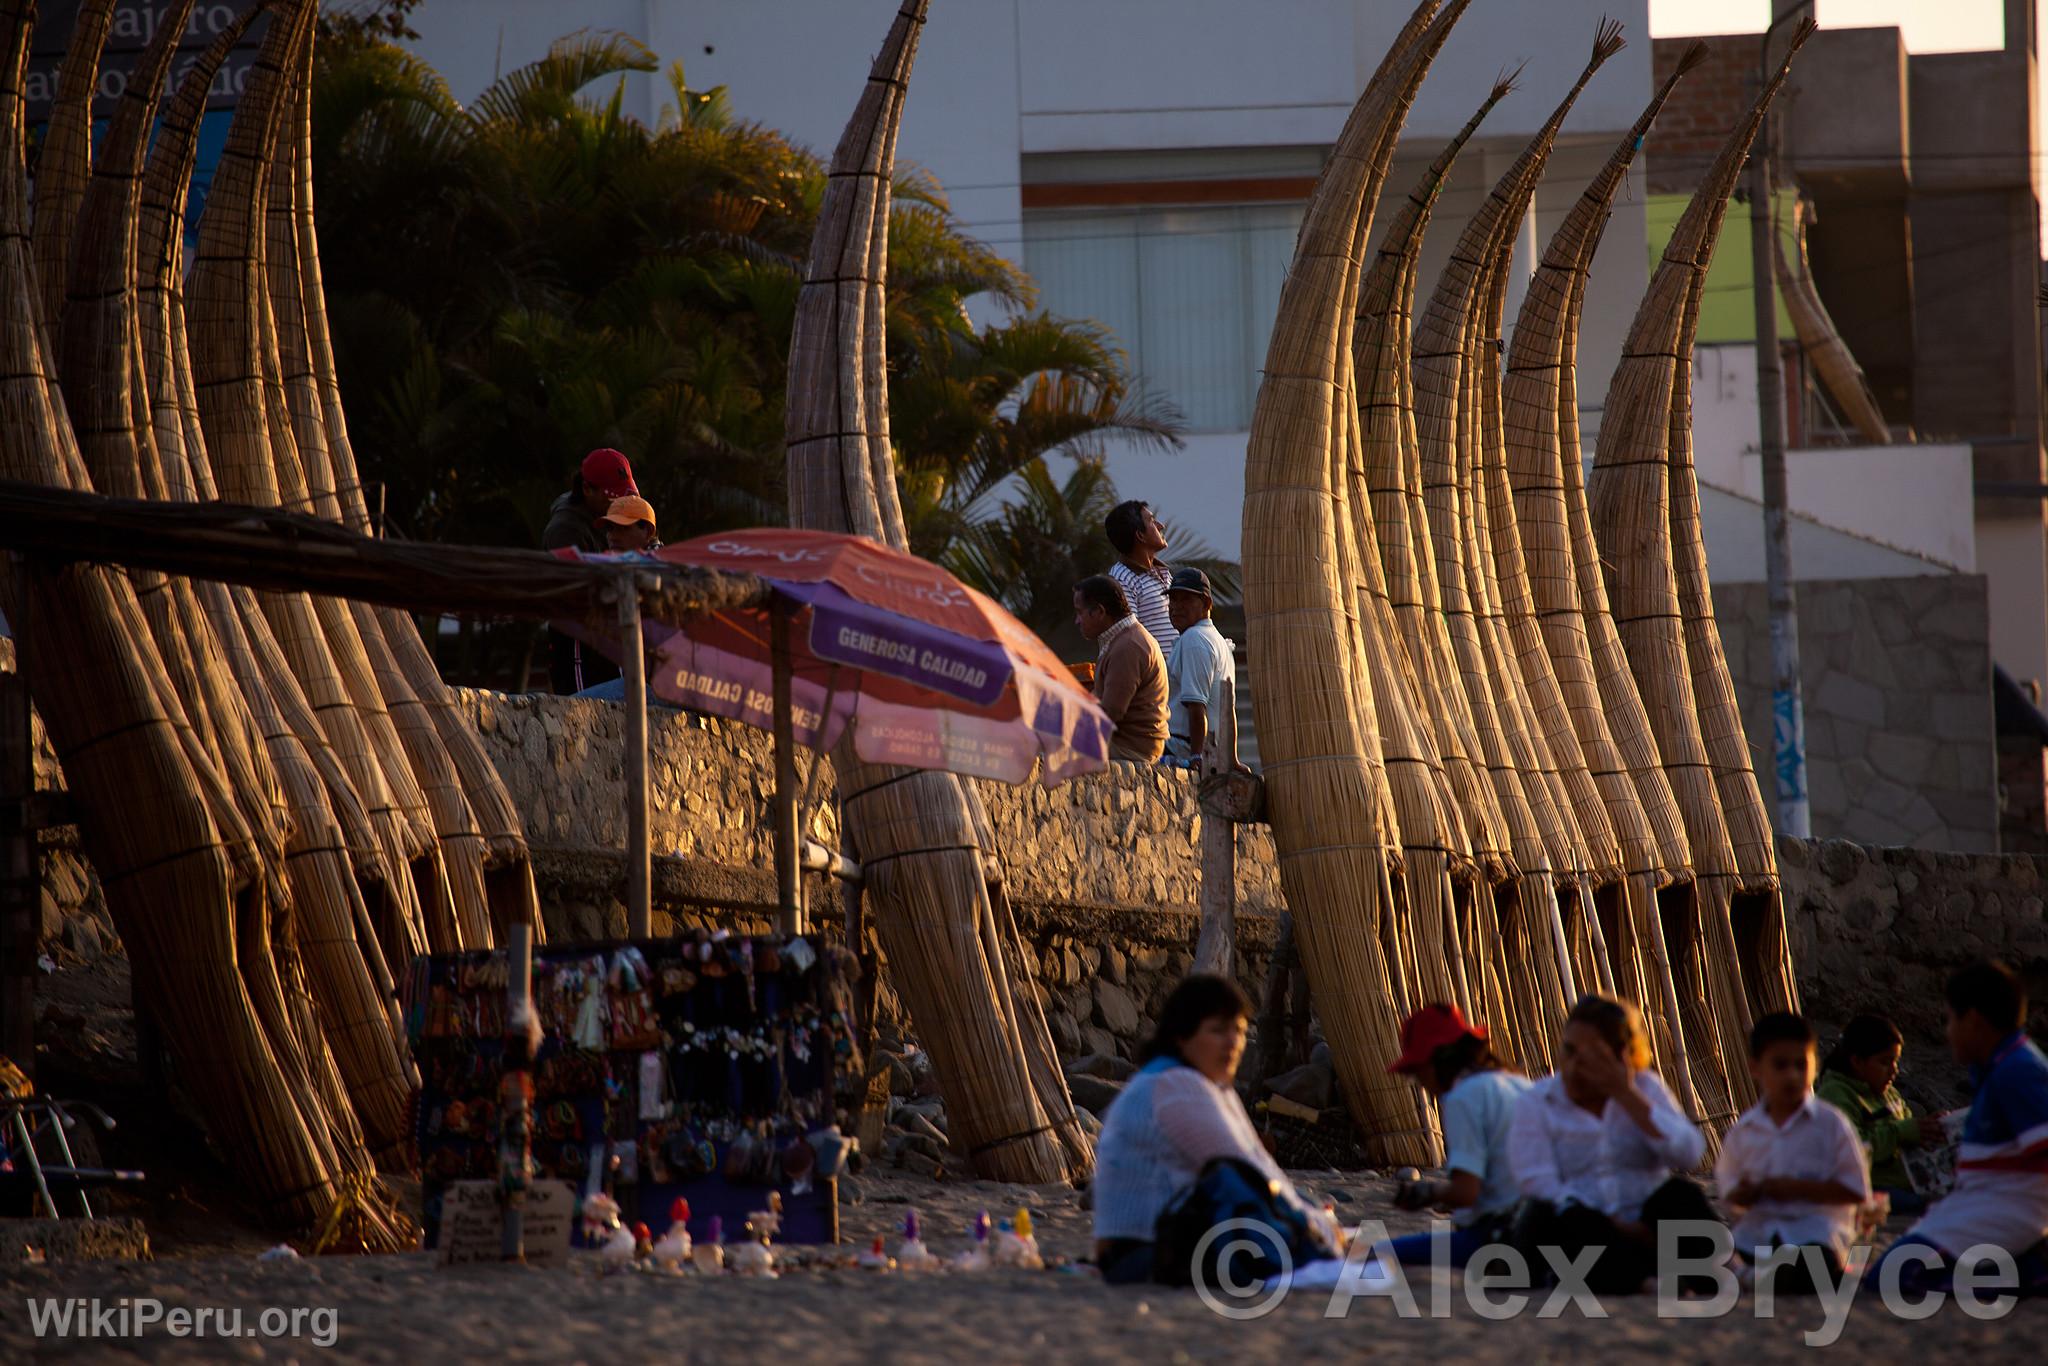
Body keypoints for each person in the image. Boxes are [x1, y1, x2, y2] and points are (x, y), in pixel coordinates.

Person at [1092, 975, 1339, 1285]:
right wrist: (1315, 1227)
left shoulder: (1201, 1082)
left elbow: (1260, 1166)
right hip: (1143, 1256)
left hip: (1154, 1247)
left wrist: (1310, 1217)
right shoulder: (1174, 1085)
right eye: (1218, 1030)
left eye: (1238, 1030)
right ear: (1182, 1035)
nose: (1233, 1043)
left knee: (1306, 1208)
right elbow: (1246, 1168)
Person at [1507, 993, 1714, 1294]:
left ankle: (1722, 1273)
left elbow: (1689, 1154)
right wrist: (1615, 1224)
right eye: (1569, 1051)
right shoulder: (1538, 1101)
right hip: (1587, 1228)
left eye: (1590, 1056)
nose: (1575, 1066)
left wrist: (1627, 1096)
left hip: (1647, 1226)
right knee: (1561, 1215)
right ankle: (1644, 1282)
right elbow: (1534, 1179)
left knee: (1681, 1194)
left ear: (1622, 1057)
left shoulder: (1644, 1089)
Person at [1865, 960, 2048, 1295]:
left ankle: (2025, 1275)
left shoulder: (2018, 1072)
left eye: (1950, 1020)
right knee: (1888, 1271)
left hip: (2004, 1210)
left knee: (1896, 1275)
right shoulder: (2000, 1068)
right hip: (1980, 1203)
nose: (1947, 1032)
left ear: (1975, 1022)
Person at [1715, 1012, 1870, 1295]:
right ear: (1755, 1069)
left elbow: (1857, 1190)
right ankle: (1761, 1276)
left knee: (1814, 1262)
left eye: (1801, 1065)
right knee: (1707, 1250)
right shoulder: (1745, 1130)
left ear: (1815, 1067)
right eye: (1780, 1065)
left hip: (1814, 1235)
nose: (1792, 1075)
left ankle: (1760, 1279)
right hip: (1758, 1236)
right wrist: (1750, 1193)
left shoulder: (1831, 1124)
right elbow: (1729, 1196)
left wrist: (1797, 1189)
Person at [1376, 1003, 1531, 1268]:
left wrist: (1428, 1193)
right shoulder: (1518, 1083)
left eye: (1418, 1071)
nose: (1420, 1082)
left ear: (1439, 1060)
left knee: (1376, 1252)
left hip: (1502, 1242)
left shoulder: (1463, 1097)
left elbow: (1466, 1192)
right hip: (1542, 1229)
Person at [1815, 1013, 1943, 1213]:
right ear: (1857, 1061)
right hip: (1868, 1189)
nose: (1894, 1071)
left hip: (1908, 1180)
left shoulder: (1888, 1092)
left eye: (1895, 1062)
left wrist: (1928, 1128)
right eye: (1885, 1062)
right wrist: (1900, 1133)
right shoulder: (1836, 1095)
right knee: (1930, 1209)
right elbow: (1852, 1151)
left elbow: (1908, 1127)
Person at [545, 448, 638, 694]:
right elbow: (574, 598)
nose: (621, 505)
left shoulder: (607, 518)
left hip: (608, 651)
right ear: (587, 489)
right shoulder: (565, 531)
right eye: (613, 498)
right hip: (580, 659)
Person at [1074, 574, 1167, 763]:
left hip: (1130, 748)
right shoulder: (1122, 639)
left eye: (1080, 612)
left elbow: (1110, 713)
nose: (1077, 621)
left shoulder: (1128, 646)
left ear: (1099, 612)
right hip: (1129, 743)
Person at [1162, 568, 1235, 768]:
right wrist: (1232, 759)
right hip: (1209, 748)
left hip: (1183, 746)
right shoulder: (1220, 642)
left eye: (1185, 600)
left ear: (1206, 604)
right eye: (1173, 600)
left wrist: (1195, 758)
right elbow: (1229, 711)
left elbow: (1196, 706)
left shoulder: (1194, 639)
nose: (1176, 607)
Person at [1105, 499, 1177, 654]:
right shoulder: (1121, 578)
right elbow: (1129, 638)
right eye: (1152, 521)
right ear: (1140, 536)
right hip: (1156, 676)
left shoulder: (1163, 573)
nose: (1160, 526)